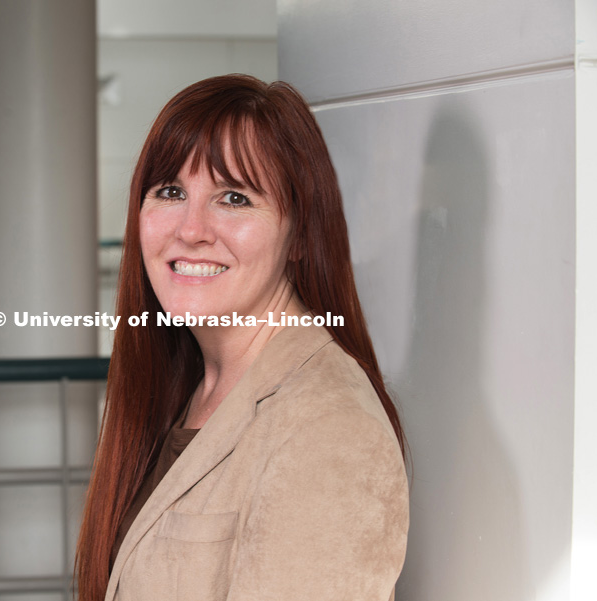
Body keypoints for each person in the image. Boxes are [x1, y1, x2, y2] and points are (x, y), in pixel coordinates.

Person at [75, 74, 409, 601]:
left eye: (234, 198)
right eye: (170, 191)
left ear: (299, 233)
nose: (191, 229)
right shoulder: (184, 387)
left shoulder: (327, 428)